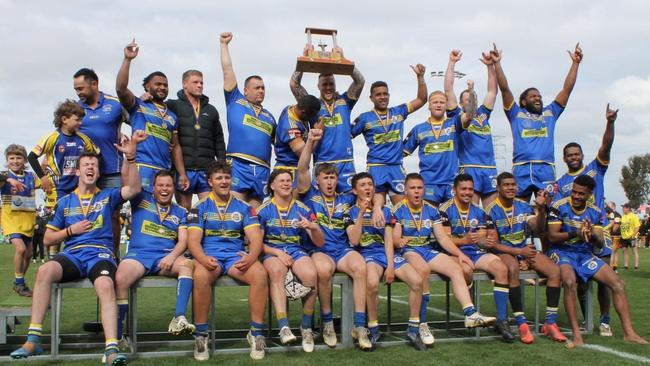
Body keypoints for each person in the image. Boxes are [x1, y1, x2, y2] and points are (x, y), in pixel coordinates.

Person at [10, 132, 144, 365]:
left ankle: (111, 347)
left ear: (99, 172)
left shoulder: (108, 196)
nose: (90, 167)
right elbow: (49, 239)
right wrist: (70, 232)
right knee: (44, 271)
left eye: (94, 165)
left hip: (100, 254)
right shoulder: (65, 202)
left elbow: (132, 189)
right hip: (72, 255)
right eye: (86, 165)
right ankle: (33, 339)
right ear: (79, 171)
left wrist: (131, 158)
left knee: (105, 283)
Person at [392, 172, 496, 344]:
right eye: (412, 188)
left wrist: (460, 254)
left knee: (456, 268)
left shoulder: (432, 210)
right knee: (423, 270)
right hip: (408, 251)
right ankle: (421, 324)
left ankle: (470, 313)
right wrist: (400, 240)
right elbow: (395, 239)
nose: (416, 191)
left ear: (424, 189)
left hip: (427, 249)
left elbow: (442, 238)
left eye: (419, 187)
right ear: (406, 191)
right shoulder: (398, 210)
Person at [295, 128, 373, 350]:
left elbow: (368, 189)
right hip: (319, 249)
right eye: (325, 177)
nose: (329, 182)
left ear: (338, 180)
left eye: (333, 177)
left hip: (342, 248)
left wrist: (374, 205)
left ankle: (359, 325)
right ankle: (328, 322)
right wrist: (310, 142)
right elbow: (301, 168)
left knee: (360, 266)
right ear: (317, 180)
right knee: (322, 270)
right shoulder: (309, 195)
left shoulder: (346, 198)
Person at [547, 175, 647, 347]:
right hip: (562, 252)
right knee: (570, 282)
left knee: (618, 283)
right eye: (574, 192)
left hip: (584, 255)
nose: (577, 196)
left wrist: (592, 232)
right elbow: (552, 236)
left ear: (590, 194)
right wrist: (576, 233)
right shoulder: (558, 206)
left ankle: (629, 333)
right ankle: (577, 336)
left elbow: (600, 240)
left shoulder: (595, 210)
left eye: (581, 193)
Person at [187, 160, 269, 361]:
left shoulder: (244, 207)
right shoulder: (198, 207)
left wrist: (250, 258)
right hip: (210, 256)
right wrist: (202, 259)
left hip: (235, 257)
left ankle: (256, 333)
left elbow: (256, 238)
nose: (224, 181)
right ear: (210, 182)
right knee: (200, 276)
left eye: (226, 177)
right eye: (219, 178)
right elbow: (193, 241)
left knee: (260, 274)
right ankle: (201, 335)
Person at [346, 172, 428, 350]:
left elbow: (389, 240)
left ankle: (413, 329)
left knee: (417, 281)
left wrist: (391, 266)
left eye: (370, 184)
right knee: (372, 283)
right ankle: (373, 328)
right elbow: (354, 240)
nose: (367, 187)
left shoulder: (386, 211)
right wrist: (361, 213)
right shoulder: (350, 212)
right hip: (367, 254)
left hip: (386, 254)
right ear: (354, 190)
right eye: (362, 185)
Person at [114, 170, 194, 352]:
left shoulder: (181, 211)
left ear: (173, 188)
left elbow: (183, 241)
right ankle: (118, 335)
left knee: (187, 265)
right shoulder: (141, 199)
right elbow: (129, 181)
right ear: (153, 187)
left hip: (165, 257)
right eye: (161, 185)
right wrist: (131, 158)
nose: (164, 189)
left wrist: (172, 256)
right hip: (138, 255)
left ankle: (179, 318)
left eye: (168, 185)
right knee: (120, 278)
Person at [556, 104, 618, 337]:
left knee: (604, 280)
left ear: (581, 155)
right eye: (569, 155)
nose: (573, 157)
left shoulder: (595, 169)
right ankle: (586, 319)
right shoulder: (561, 183)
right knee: (580, 282)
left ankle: (604, 320)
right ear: (564, 158)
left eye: (576, 154)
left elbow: (607, 146)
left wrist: (610, 123)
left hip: (599, 232)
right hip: (577, 241)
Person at [492, 43, 583, 201]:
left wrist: (575, 64)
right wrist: (497, 64)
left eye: (539, 96)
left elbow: (567, 90)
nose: (538, 98)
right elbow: (504, 89)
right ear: (523, 101)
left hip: (545, 168)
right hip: (522, 168)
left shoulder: (550, 113)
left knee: (548, 211)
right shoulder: (515, 113)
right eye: (533, 96)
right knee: (520, 212)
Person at [485, 172, 566, 343]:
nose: (510, 187)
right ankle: (522, 324)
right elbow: (493, 244)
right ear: (498, 188)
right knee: (513, 268)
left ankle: (550, 323)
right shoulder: (490, 210)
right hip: (504, 252)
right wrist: (519, 253)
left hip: (524, 250)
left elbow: (538, 228)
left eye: (513, 184)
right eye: (506, 185)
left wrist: (542, 210)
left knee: (555, 271)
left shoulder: (523, 206)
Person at [438, 174, 514, 342]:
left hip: (474, 252)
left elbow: (485, 238)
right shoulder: (444, 210)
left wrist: (486, 241)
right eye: (463, 189)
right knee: (466, 270)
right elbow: (444, 240)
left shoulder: (479, 211)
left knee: (501, 268)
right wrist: (464, 240)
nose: (467, 192)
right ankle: (471, 312)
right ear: (454, 190)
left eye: (470, 189)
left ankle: (502, 320)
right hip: (452, 252)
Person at [257, 168, 324, 352]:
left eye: (289, 181)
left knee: (311, 274)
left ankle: (306, 327)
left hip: (296, 250)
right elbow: (257, 244)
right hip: (272, 251)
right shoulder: (263, 210)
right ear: (272, 186)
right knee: (277, 271)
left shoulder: (303, 209)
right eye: (282, 181)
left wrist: (313, 227)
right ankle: (284, 326)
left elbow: (319, 242)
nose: (287, 184)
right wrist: (278, 253)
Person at [116, 39, 189, 194]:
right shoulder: (138, 105)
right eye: (158, 84)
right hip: (142, 166)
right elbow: (121, 89)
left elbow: (175, 147)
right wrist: (128, 59)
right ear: (147, 86)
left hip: (163, 171)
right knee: (140, 212)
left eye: (165, 85)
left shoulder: (172, 116)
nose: (162, 87)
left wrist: (182, 173)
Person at [28, 100, 99, 257]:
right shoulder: (52, 138)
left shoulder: (83, 139)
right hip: (57, 189)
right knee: (57, 226)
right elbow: (32, 156)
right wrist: (43, 177)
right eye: (77, 119)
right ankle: (53, 259)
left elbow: (96, 154)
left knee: (76, 222)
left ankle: (73, 256)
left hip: (77, 190)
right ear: (64, 119)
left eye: (81, 120)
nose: (80, 123)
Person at [290, 45, 365, 193]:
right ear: (318, 86)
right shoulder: (313, 105)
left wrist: (344, 61)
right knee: (321, 205)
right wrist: (304, 61)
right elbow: (294, 84)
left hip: (346, 163)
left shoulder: (345, 101)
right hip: (323, 163)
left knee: (350, 202)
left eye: (331, 84)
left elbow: (360, 81)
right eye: (324, 84)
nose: (328, 87)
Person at [351, 64, 427, 206]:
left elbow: (422, 99)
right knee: (376, 211)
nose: (382, 97)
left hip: (395, 167)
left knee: (403, 210)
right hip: (376, 167)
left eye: (385, 94)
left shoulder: (399, 112)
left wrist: (420, 77)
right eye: (378, 94)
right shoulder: (364, 118)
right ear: (371, 98)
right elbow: (346, 136)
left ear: (389, 95)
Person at [74, 67, 127, 258]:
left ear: (94, 84)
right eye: (76, 89)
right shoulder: (75, 109)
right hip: (83, 171)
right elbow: (61, 134)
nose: (78, 93)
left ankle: (113, 255)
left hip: (112, 170)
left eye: (81, 88)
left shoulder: (115, 104)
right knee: (82, 213)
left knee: (112, 214)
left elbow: (138, 118)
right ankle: (84, 253)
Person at [220, 32, 276, 207]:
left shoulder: (270, 116)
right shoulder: (235, 100)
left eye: (263, 88)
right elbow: (227, 70)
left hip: (262, 168)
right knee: (235, 209)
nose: (261, 91)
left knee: (254, 214)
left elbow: (279, 145)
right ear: (245, 90)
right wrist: (224, 45)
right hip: (238, 164)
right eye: (257, 88)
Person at [403, 87, 477, 206]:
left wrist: (472, 94)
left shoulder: (454, 123)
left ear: (446, 105)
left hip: (451, 182)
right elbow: (400, 153)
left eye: (442, 102)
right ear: (429, 105)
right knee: (430, 219)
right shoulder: (419, 129)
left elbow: (470, 115)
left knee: (454, 220)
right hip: (428, 183)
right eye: (435, 102)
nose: (438, 105)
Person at [445, 50, 499, 207]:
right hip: (469, 169)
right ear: (461, 104)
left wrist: (490, 66)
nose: (471, 100)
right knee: (471, 213)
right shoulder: (457, 115)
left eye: (472, 97)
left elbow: (492, 91)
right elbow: (448, 89)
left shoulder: (483, 114)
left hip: (489, 168)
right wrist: (452, 62)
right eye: (467, 99)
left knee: (492, 214)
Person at [166, 69, 225, 210]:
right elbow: (156, 110)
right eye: (195, 82)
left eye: (201, 83)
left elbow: (219, 139)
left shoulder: (211, 110)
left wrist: (221, 165)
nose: (200, 85)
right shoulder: (172, 105)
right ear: (184, 84)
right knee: (184, 208)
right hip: (183, 169)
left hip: (206, 169)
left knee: (209, 208)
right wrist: (147, 97)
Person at [1, 144, 41, 296]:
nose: (15, 161)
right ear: (7, 160)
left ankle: (19, 282)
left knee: (29, 253)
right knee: (21, 249)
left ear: (24, 160)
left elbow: (44, 183)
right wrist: (9, 181)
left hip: (28, 220)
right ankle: (19, 283)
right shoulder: (4, 176)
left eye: (19, 158)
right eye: (11, 158)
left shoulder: (30, 176)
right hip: (11, 220)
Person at [273, 94, 321, 187]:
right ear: (303, 112)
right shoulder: (290, 127)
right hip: (288, 170)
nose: (312, 119)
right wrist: (318, 133)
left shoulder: (289, 108)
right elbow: (304, 154)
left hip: (295, 169)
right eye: (312, 116)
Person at [619, 203, 641, 270]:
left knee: (634, 251)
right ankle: (626, 266)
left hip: (632, 237)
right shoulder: (622, 216)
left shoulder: (634, 216)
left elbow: (637, 227)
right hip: (623, 237)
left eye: (624, 208)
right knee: (624, 251)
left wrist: (633, 235)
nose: (622, 209)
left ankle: (636, 266)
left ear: (628, 208)